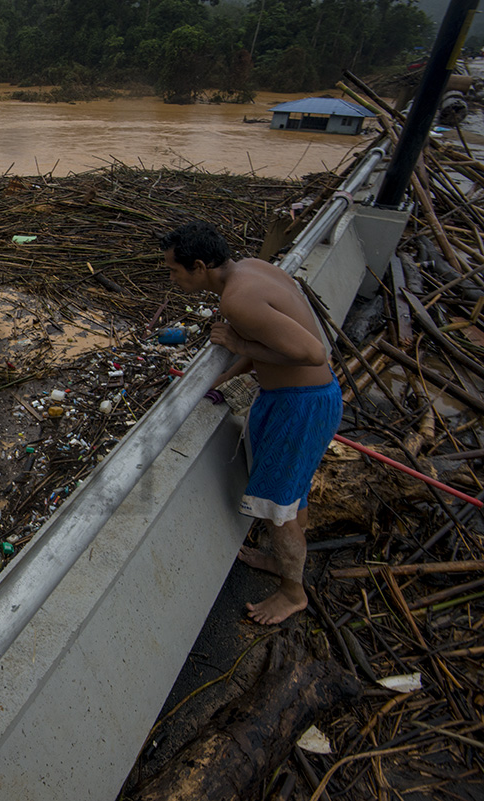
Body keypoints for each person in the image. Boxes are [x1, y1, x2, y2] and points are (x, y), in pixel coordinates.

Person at [160, 221, 343, 625]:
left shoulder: (236, 301)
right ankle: (282, 562)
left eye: (175, 270)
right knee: (293, 492)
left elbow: (312, 353)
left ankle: (293, 593)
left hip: (301, 406)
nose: (172, 278)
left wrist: (239, 346)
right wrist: (226, 374)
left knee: (280, 506)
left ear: (200, 266)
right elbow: (272, 341)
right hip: (298, 399)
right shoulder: (253, 269)